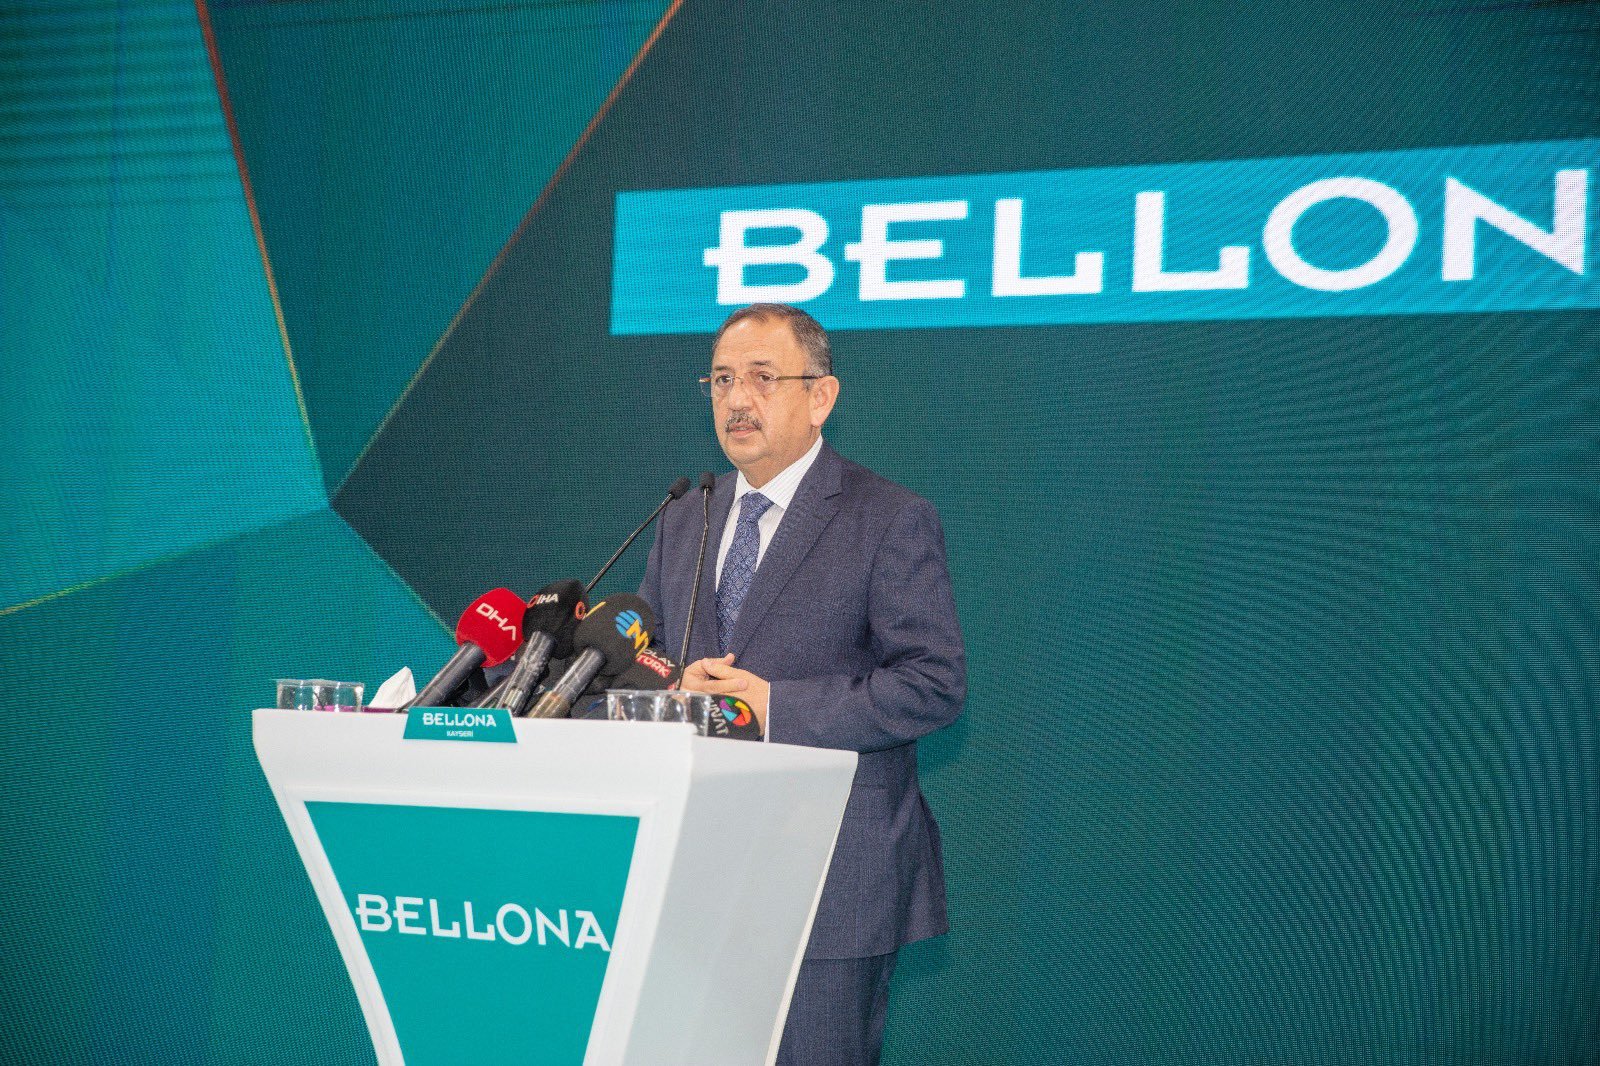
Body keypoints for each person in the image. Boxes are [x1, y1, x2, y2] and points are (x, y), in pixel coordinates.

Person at [637, 303, 966, 1065]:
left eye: (762, 377)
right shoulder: (685, 516)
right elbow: (642, 656)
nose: (737, 399)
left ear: (821, 397)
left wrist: (773, 706)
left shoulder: (888, 518)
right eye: (722, 380)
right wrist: (668, 686)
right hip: (693, 872)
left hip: (829, 877)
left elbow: (934, 683)